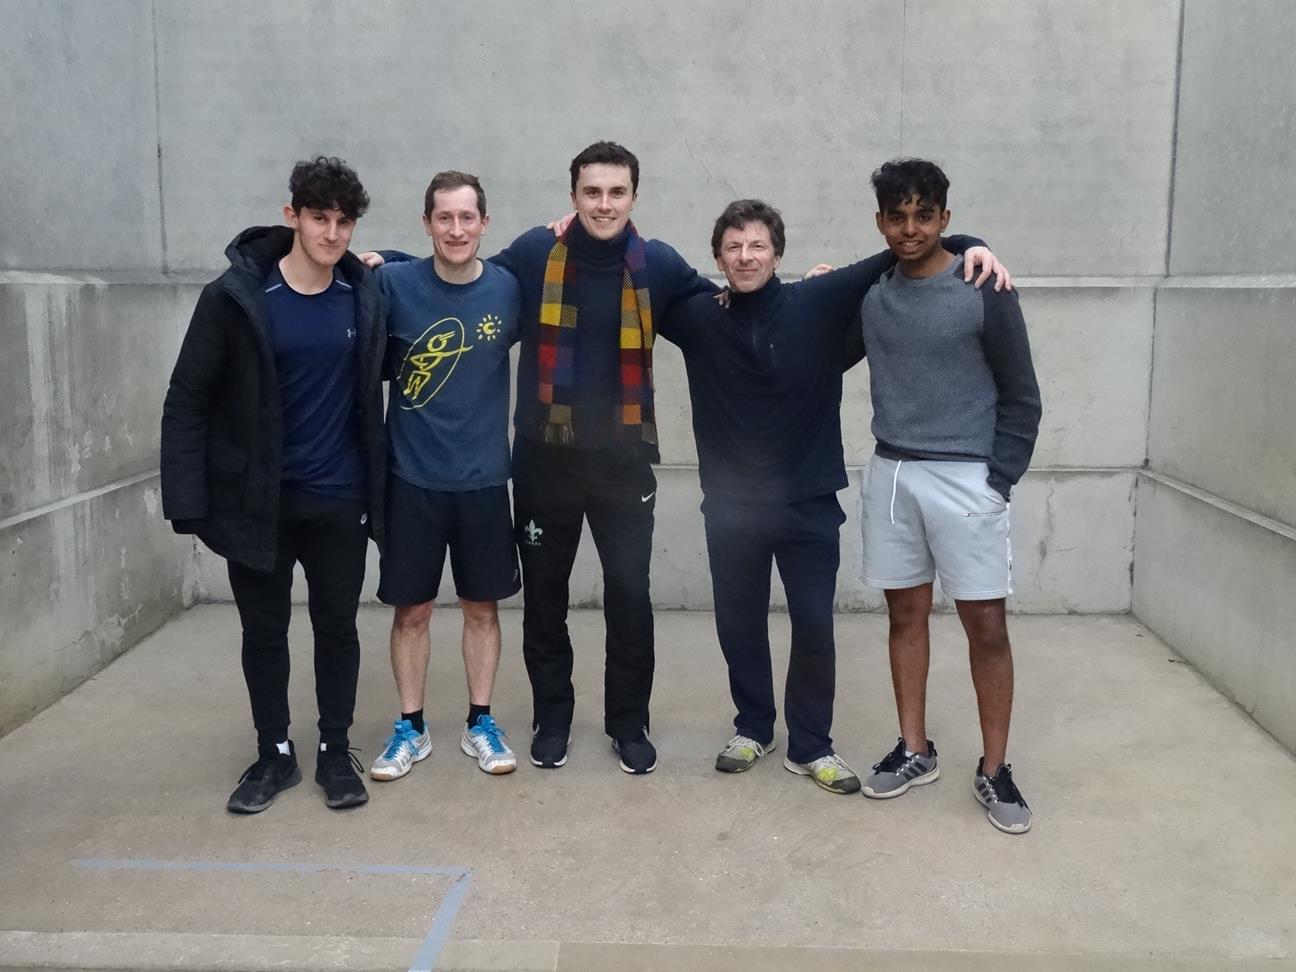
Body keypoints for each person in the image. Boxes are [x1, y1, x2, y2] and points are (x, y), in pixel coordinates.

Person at [659, 199, 1006, 794]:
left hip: (809, 503)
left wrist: (971, 240)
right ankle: (752, 728)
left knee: (814, 626)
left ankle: (812, 744)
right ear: (717, 257)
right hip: (731, 507)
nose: (746, 256)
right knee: (739, 625)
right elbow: (638, 267)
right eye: (734, 247)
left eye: (758, 245)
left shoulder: (813, 302)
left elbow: (901, 248)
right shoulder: (696, 316)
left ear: (778, 254)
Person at [160, 156, 386, 813]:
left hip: (340, 499)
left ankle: (334, 752)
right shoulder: (236, 298)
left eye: (345, 222)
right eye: (320, 218)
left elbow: (419, 269)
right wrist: (189, 501)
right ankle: (274, 754)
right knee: (263, 633)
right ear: (292, 216)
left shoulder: (362, 294)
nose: (333, 233)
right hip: (257, 503)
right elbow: (188, 399)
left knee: (336, 628)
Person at [491, 141, 715, 774]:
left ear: (634, 197)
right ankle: (552, 718)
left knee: (629, 598)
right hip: (544, 462)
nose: (604, 204)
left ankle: (628, 723)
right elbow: (462, 282)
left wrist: (804, 287)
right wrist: (383, 261)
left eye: (617, 192)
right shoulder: (536, 254)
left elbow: (726, 315)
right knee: (544, 598)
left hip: (623, 469)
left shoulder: (660, 266)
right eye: (592, 192)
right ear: (573, 196)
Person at [855, 159, 1041, 833]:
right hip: (894, 474)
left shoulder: (982, 286)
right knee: (904, 619)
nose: (910, 229)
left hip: (967, 479)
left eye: (924, 215)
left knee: (985, 628)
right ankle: (915, 749)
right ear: (881, 222)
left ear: (945, 219)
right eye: (897, 216)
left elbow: (1022, 394)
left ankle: (995, 769)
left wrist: (998, 481)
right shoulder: (873, 295)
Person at [367, 171, 523, 782]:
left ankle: (480, 722)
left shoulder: (509, 291)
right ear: (427, 223)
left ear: (485, 223)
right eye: (444, 218)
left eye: (467, 218)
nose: (456, 229)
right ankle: (411, 727)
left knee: (482, 608)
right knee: (413, 613)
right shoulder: (391, 285)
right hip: (411, 481)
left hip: (485, 481)